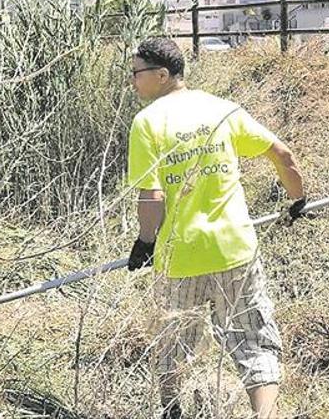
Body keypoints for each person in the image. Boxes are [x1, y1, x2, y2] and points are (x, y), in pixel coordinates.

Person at [126, 37, 307, 419]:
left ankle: (172, 412)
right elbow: (283, 155)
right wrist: (297, 200)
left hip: (180, 258)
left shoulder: (147, 123)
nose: (132, 82)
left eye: (136, 74)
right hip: (235, 252)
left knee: (173, 345)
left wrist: (144, 243)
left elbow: (153, 197)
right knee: (254, 343)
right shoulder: (222, 110)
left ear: (161, 75)